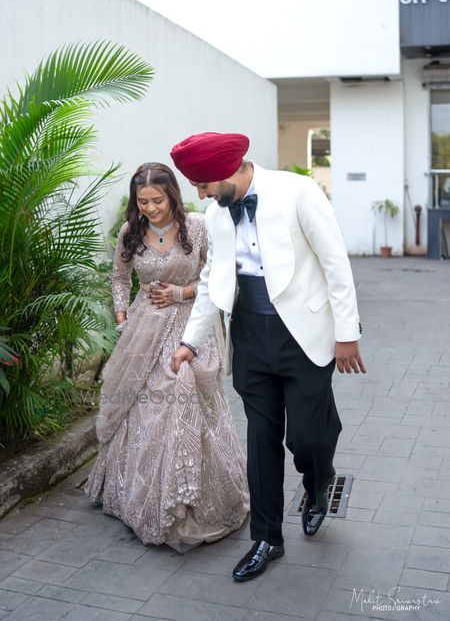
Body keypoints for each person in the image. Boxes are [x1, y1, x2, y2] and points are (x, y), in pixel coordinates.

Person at [170, 132, 366, 581]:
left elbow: (336, 262)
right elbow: (212, 279)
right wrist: (190, 341)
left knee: (309, 438)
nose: (200, 195)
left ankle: (318, 483)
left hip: (304, 336)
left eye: (203, 184)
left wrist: (347, 333)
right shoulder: (216, 213)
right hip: (249, 338)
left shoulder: (299, 192)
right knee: (260, 440)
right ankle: (267, 538)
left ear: (229, 170)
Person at [84, 162, 249, 553]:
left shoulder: (198, 226)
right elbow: (120, 276)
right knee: (143, 409)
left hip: (190, 327)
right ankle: (140, 496)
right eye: (143, 201)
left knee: (183, 395)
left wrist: (180, 293)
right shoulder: (131, 230)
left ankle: (190, 499)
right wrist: (122, 315)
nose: (150, 208)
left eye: (157, 200)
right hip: (144, 328)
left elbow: (220, 275)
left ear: (172, 195)